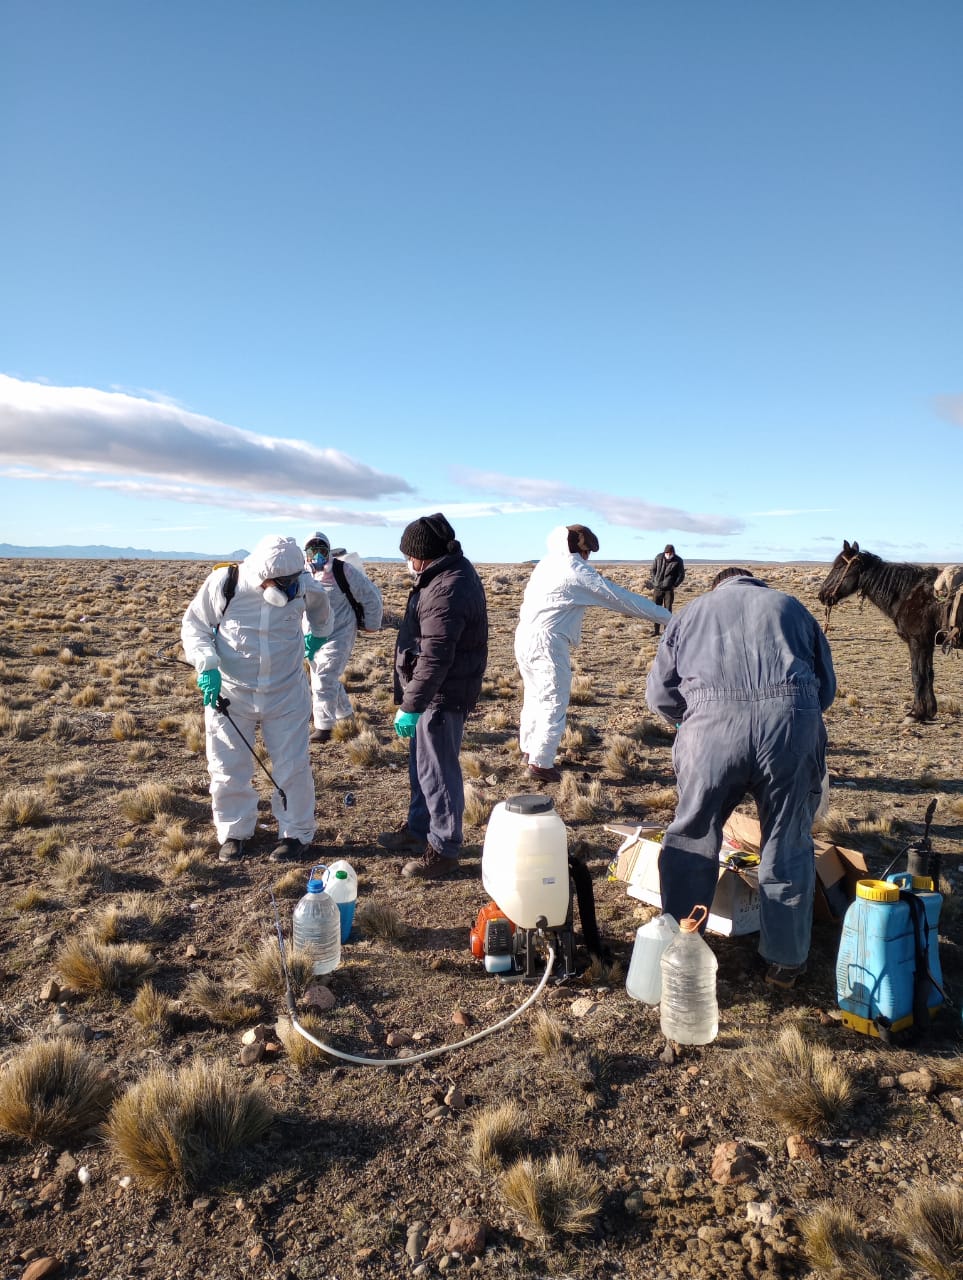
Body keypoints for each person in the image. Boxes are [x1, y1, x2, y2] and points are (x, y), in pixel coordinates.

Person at [645, 567, 836, 989]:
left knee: (693, 835)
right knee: (787, 840)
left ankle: (681, 943)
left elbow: (658, 694)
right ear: (756, 584)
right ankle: (785, 962)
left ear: (718, 586)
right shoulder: (792, 607)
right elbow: (826, 689)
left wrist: (693, 721)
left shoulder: (691, 612)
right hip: (790, 730)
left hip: (711, 733)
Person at [181, 534, 332, 864]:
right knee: (227, 765)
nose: (289, 587)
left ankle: (296, 834)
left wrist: (317, 636)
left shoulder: (305, 585)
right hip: (231, 694)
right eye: (281, 582)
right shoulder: (227, 582)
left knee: (292, 766)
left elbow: (322, 611)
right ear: (262, 574)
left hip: (286, 693)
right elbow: (195, 626)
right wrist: (206, 665)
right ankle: (234, 832)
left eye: (293, 580)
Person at [377, 513, 488, 879]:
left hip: (441, 695)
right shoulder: (443, 576)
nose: (407, 562)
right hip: (432, 694)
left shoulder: (447, 587)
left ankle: (444, 848)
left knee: (438, 772)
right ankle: (418, 829)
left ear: (422, 555)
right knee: (423, 767)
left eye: (409, 554)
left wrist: (412, 704)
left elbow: (436, 654)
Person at [514, 525, 670, 783]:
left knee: (534, 697)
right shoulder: (575, 571)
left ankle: (530, 749)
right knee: (553, 698)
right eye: (587, 552)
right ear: (582, 550)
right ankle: (540, 762)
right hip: (548, 641)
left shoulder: (547, 563)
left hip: (525, 636)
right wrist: (670, 618)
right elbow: (621, 599)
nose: (588, 557)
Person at [303, 531, 384, 742]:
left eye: (322, 550)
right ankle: (346, 715)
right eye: (313, 551)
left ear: (328, 551)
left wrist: (372, 625)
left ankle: (324, 727)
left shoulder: (343, 570)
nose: (317, 556)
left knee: (324, 678)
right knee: (323, 676)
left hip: (339, 632)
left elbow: (371, 596)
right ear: (306, 553)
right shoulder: (302, 573)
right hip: (311, 636)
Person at [650, 543, 685, 635]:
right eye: (667, 553)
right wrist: (654, 581)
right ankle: (656, 631)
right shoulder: (658, 557)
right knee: (655, 609)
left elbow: (681, 575)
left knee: (667, 610)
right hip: (657, 588)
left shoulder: (678, 560)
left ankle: (666, 632)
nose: (668, 555)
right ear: (664, 552)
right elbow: (652, 570)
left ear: (673, 552)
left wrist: (675, 585)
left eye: (670, 553)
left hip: (668, 590)